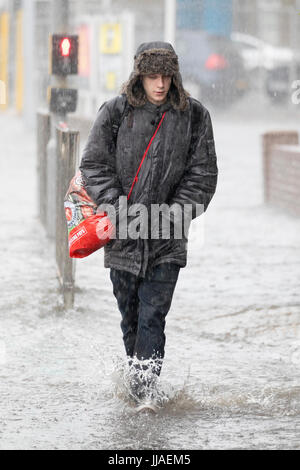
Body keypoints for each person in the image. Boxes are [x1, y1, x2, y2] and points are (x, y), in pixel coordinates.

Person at [79, 41, 218, 405]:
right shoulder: (114, 112)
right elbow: (93, 165)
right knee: (132, 318)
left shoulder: (194, 116)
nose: (160, 84)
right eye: (153, 76)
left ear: (175, 76)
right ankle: (137, 384)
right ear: (139, 76)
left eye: (167, 76)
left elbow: (203, 174)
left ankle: (145, 396)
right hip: (123, 235)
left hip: (167, 239)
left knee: (153, 316)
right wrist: (117, 208)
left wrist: (175, 214)